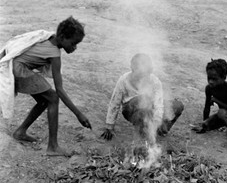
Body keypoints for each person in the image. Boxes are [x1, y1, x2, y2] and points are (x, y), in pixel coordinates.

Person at [0, 17, 92, 156]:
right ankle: (53, 147)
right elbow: (59, 90)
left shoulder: (50, 38)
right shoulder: (55, 54)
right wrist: (78, 114)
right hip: (18, 69)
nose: (74, 48)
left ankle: (20, 132)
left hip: (18, 66)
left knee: (45, 99)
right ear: (62, 37)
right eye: (73, 43)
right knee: (53, 97)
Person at [101, 53, 184, 149]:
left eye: (146, 74)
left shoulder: (155, 81)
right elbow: (115, 103)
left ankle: (160, 130)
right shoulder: (124, 80)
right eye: (140, 74)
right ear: (132, 69)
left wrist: (157, 122)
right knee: (141, 101)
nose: (142, 77)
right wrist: (109, 125)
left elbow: (159, 103)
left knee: (177, 106)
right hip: (131, 110)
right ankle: (142, 135)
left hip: (151, 109)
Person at [193, 58, 227, 147]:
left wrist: (216, 100)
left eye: (214, 79)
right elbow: (207, 107)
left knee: (221, 112)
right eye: (209, 78)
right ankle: (211, 124)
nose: (210, 81)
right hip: (225, 114)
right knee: (207, 125)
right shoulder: (208, 88)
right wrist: (205, 122)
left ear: (223, 77)